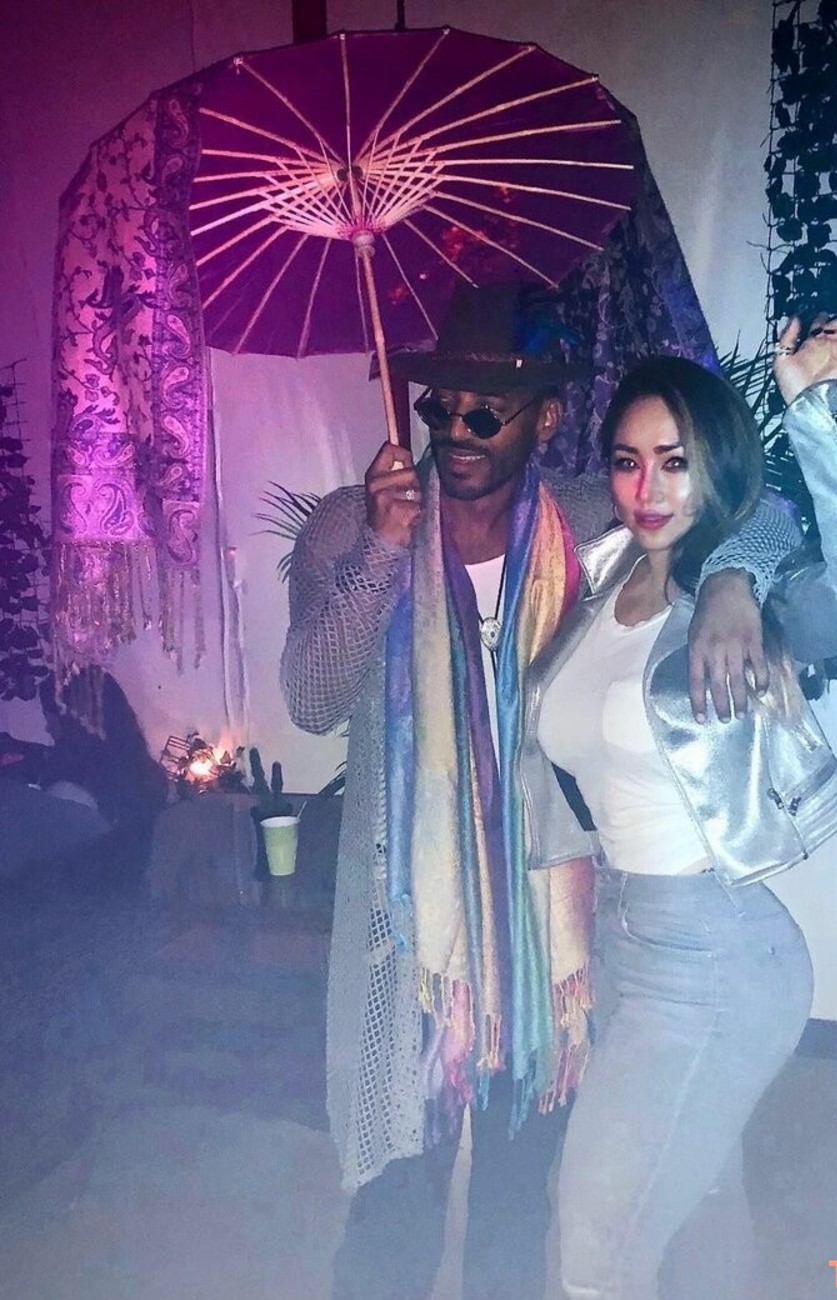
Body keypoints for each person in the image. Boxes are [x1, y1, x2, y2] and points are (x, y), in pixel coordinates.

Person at [279, 281, 802, 1300]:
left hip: (548, 939)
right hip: (411, 931)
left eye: (488, 413)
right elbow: (308, 697)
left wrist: (733, 581)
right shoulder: (352, 525)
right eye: (442, 407)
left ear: (546, 419)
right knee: (390, 1203)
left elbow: (759, 512)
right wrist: (382, 550)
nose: (457, 431)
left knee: (522, 1208)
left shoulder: (588, 516)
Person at [519, 288, 837, 1298]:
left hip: (716, 959)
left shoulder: (747, 601)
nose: (647, 487)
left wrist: (818, 415)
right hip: (620, 940)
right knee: (695, 1206)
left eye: (676, 460)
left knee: (594, 1235)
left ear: (716, 465)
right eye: (628, 460)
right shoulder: (600, 574)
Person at [0, 670, 168, 885]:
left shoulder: (69, 794)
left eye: (50, 718)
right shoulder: (145, 773)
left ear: (71, 723)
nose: (48, 728)